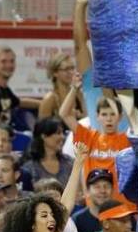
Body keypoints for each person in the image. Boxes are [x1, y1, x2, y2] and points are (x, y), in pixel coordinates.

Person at [61, 73, 131, 203]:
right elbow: (64, 114)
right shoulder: (89, 137)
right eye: (104, 114)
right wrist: (74, 89)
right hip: (94, 205)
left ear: (120, 117)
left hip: (121, 205)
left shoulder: (128, 140)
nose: (109, 118)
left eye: (113, 114)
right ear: (97, 117)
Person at [20, 118, 74, 186]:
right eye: (58, 133)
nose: (62, 137)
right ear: (44, 136)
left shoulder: (70, 162)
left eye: (63, 133)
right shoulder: (29, 168)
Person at [38, 53, 85, 121]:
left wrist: (80, 116)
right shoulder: (50, 99)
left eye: (72, 68)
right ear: (55, 73)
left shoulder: (78, 94)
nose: (71, 72)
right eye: (66, 69)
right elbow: (42, 128)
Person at [72, 168, 113, 232]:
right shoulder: (77, 220)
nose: (102, 191)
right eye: (97, 187)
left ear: (112, 190)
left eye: (106, 186)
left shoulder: (122, 217)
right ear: (87, 191)